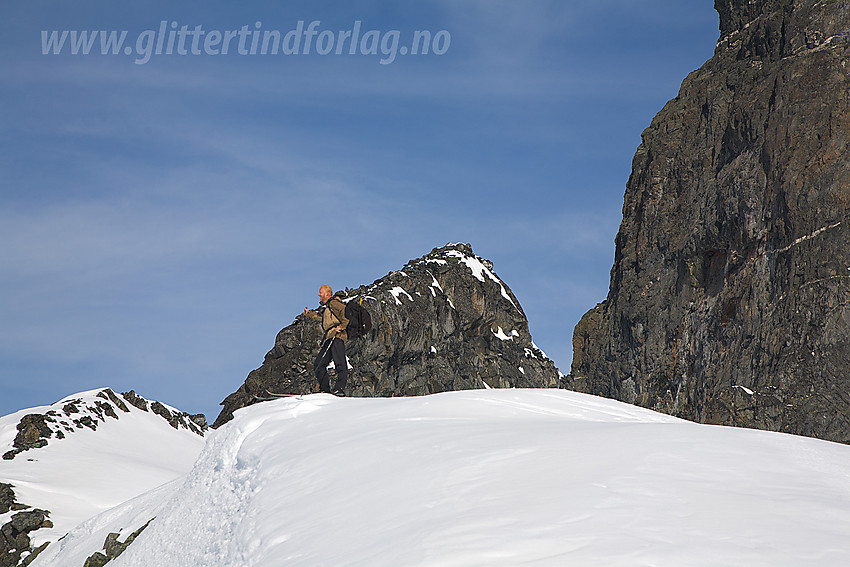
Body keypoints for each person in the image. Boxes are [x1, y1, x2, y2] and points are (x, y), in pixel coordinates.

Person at [303, 285, 349, 396]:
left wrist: (342, 326)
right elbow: (321, 317)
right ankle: (325, 390)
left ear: (327, 293)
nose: (318, 294)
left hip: (337, 337)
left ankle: (339, 389)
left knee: (340, 363)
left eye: (320, 292)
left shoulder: (334, 303)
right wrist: (308, 314)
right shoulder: (328, 307)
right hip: (330, 337)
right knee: (319, 364)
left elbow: (345, 313)